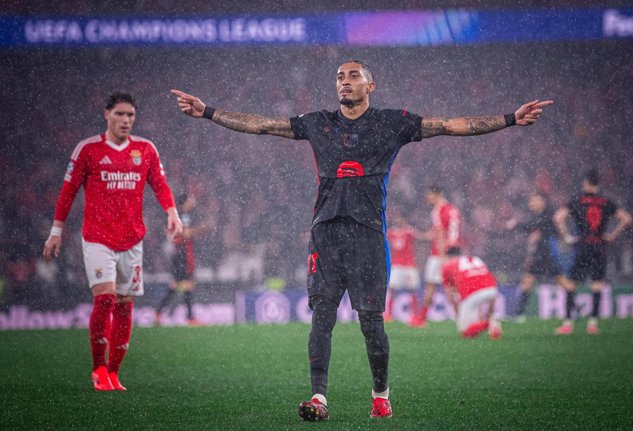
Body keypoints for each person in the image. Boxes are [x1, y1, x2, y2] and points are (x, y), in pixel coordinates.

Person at [171, 60, 552, 420]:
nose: (345, 81)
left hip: (368, 235)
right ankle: (319, 397)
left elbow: (451, 125)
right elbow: (262, 125)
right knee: (321, 316)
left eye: (353, 75)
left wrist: (509, 120)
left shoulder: (393, 123)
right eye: (339, 76)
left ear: (371, 85)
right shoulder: (318, 123)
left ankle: (381, 396)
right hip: (325, 232)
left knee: (371, 321)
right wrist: (208, 111)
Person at [43, 92, 183, 391]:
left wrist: (172, 213)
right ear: (107, 114)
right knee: (105, 298)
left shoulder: (145, 149)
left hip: (132, 239)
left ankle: (114, 373)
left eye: (130, 115)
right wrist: (56, 230)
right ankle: (98, 368)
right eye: (120, 114)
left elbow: (159, 184)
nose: (126, 120)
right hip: (97, 238)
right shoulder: (88, 150)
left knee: (125, 304)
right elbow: (67, 192)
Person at [553, 169, 632, 335]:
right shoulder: (605, 202)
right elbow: (626, 219)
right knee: (597, 286)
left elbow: (558, 218)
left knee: (571, 284)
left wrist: (567, 236)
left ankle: (568, 324)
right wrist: (612, 235)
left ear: (586, 182)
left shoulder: (577, 200)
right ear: (598, 183)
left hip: (582, 246)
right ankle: (592, 324)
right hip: (599, 246)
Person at [505, 192, 568, 322]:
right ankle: (519, 315)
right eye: (531, 201)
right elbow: (535, 228)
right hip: (541, 255)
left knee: (562, 282)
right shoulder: (540, 215)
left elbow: (533, 226)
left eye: (534, 200)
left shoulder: (548, 214)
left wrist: (517, 224)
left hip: (547, 255)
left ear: (542, 201)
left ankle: (575, 309)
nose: (531, 203)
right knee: (527, 282)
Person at [409, 185, 462, 328]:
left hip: (440, 254)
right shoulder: (453, 209)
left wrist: (442, 256)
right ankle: (462, 318)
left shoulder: (438, 210)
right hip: (454, 251)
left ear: (437, 194)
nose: (427, 198)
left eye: (429, 195)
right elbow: (450, 232)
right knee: (447, 288)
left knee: (440, 288)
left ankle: (423, 319)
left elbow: (440, 234)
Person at [155, 192, 209, 326]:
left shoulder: (184, 215)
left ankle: (160, 314)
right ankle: (189, 318)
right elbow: (184, 233)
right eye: (190, 199)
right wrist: (202, 228)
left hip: (182, 255)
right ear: (184, 202)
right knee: (183, 285)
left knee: (180, 285)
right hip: (182, 256)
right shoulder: (182, 216)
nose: (193, 200)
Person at [442, 254, 502, 339]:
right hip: (491, 287)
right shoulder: (474, 258)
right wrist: (490, 312)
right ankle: (490, 323)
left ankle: (488, 323)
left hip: (471, 291)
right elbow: (487, 277)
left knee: (465, 332)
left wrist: (459, 315)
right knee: (474, 327)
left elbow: (450, 295)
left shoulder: (446, 266)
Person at [384, 212, 422, 322]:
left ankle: (415, 315)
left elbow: (420, 239)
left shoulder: (409, 231)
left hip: (409, 266)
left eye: (400, 219)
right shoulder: (391, 232)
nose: (398, 221)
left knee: (413, 290)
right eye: (397, 219)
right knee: (392, 290)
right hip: (396, 265)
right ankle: (389, 315)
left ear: (404, 220)